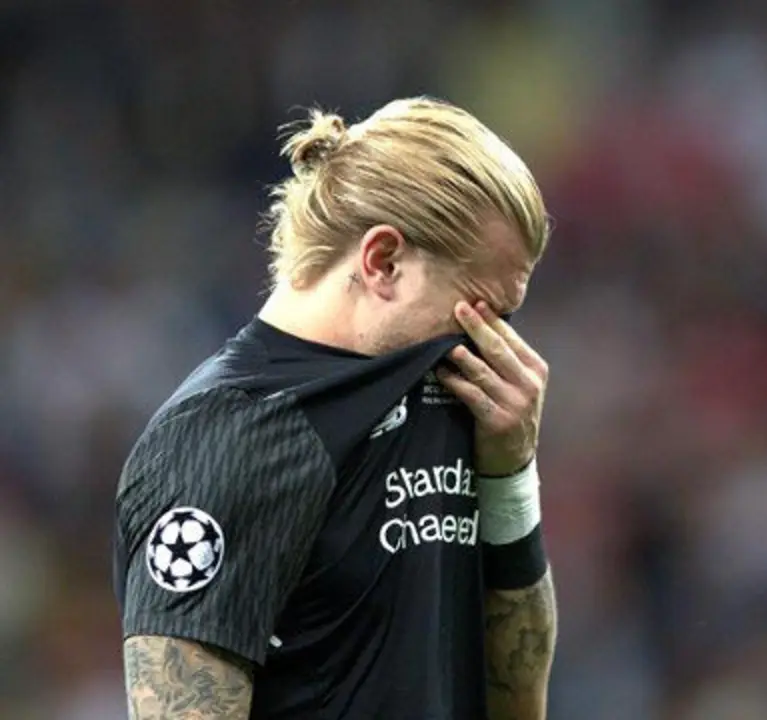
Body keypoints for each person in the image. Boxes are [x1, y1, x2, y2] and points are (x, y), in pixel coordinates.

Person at [112, 97, 557, 719]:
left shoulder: (454, 397)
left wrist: (510, 479)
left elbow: (518, 703)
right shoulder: (231, 436)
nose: (500, 344)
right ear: (383, 262)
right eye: (483, 310)